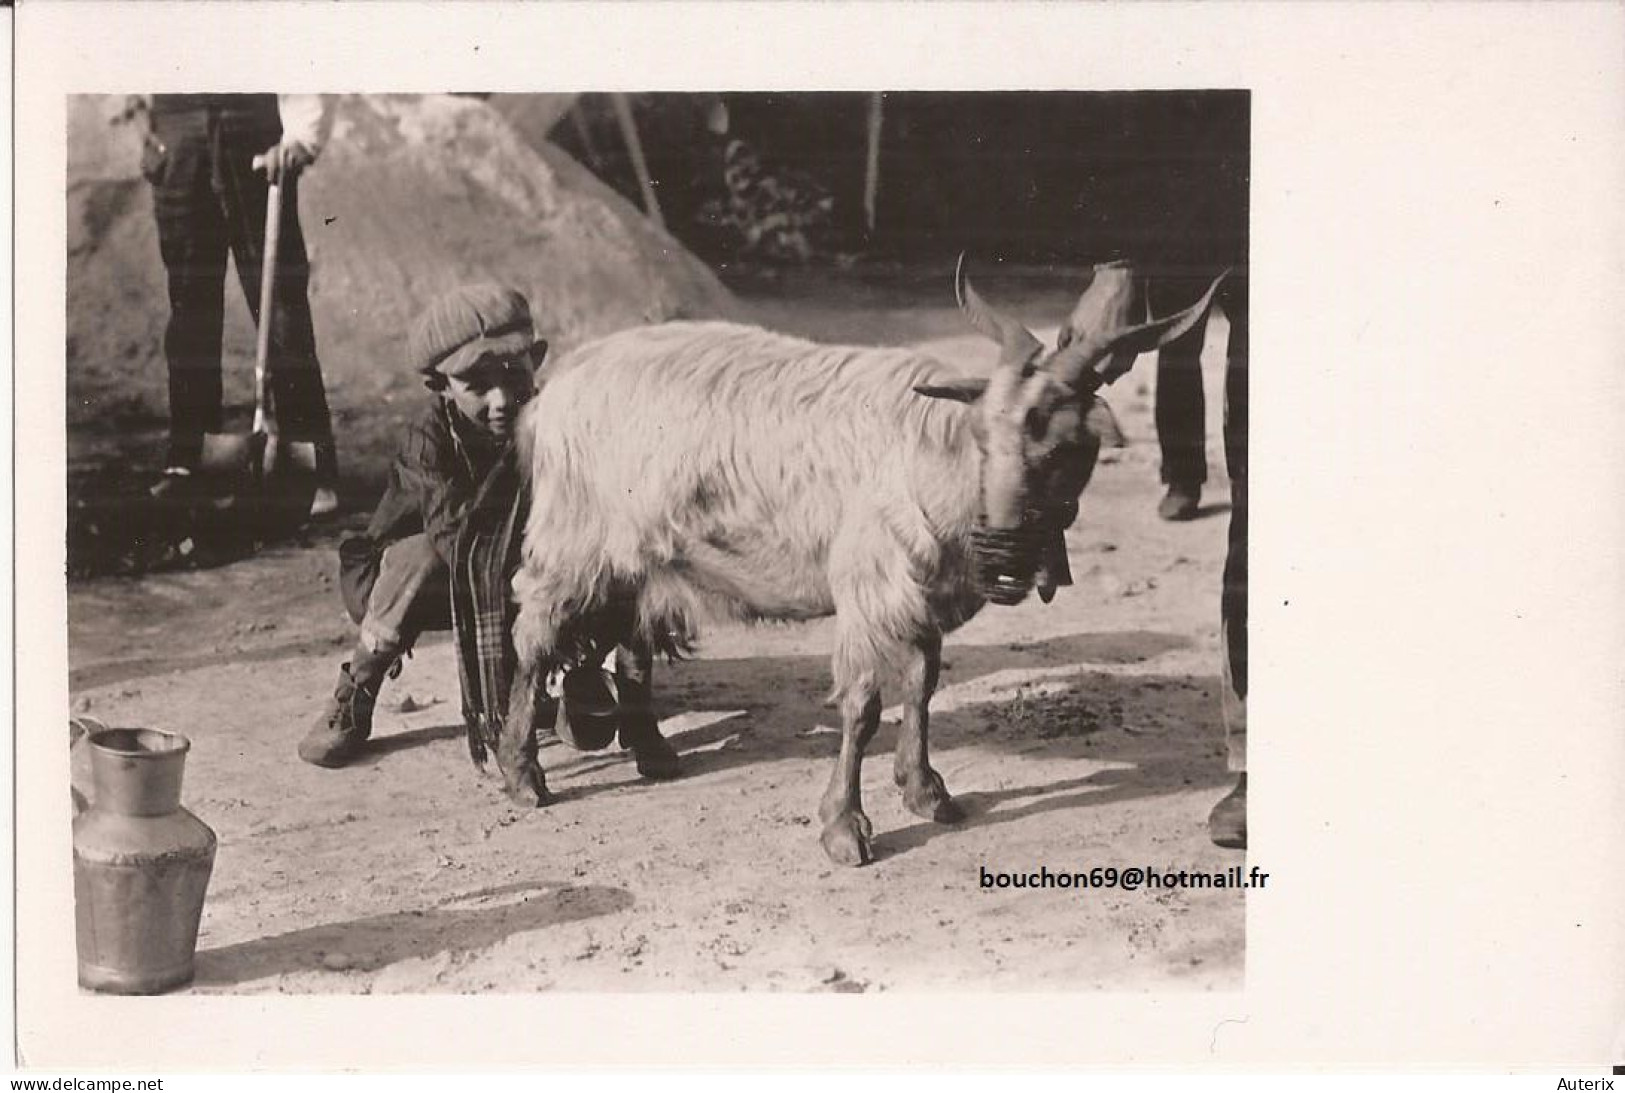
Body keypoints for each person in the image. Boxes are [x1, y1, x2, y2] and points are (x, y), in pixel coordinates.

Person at [298, 283, 681, 783]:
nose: (501, 399)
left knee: (630, 548)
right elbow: (456, 536)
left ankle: (626, 703)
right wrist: (541, 572)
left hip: (531, 570)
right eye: (476, 385)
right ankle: (358, 690)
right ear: (440, 386)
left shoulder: (561, 424)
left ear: (537, 361)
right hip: (431, 581)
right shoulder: (427, 443)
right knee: (420, 560)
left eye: (513, 376)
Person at [141, 94, 340, 517]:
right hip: (175, 129)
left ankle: (308, 466)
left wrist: (303, 135)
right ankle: (190, 459)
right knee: (189, 304)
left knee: (279, 302)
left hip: (248, 123)